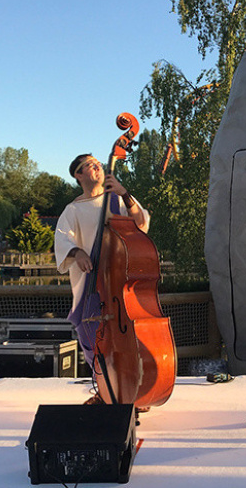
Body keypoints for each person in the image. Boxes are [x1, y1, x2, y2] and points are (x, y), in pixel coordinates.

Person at [54, 154, 150, 386]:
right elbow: (62, 240)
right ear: (78, 175)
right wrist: (77, 253)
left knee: (131, 336)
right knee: (91, 332)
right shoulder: (73, 210)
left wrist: (124, 194)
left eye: (98, 163)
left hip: (122, 280)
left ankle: (135, 387)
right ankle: (104, 387)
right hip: (92, 283)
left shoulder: (117, 198)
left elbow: (141, 224)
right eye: (89, 165)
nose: (97, 166)